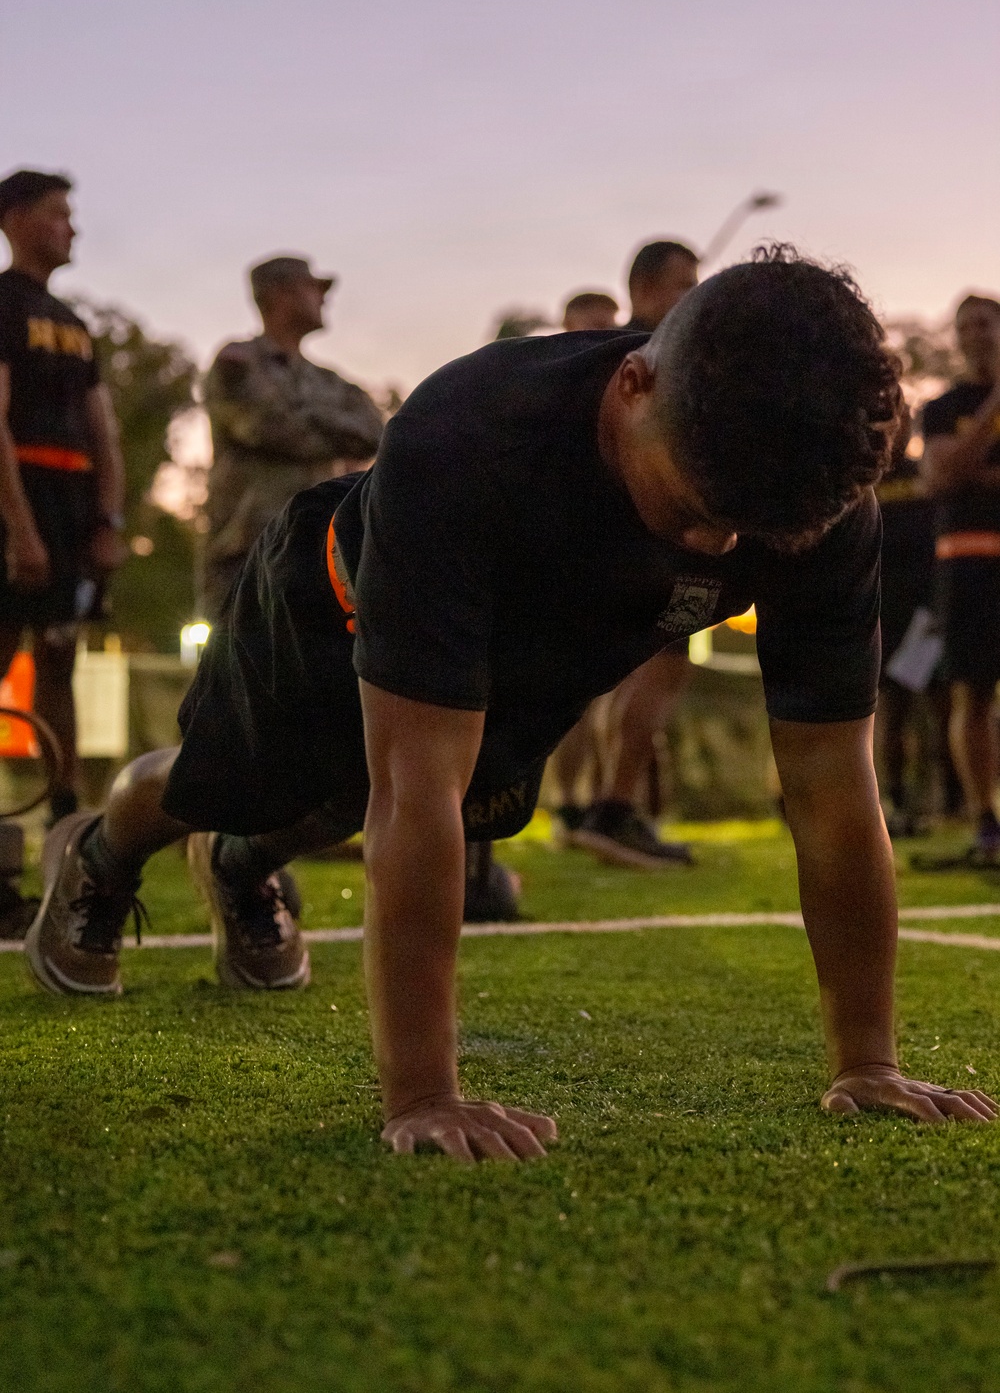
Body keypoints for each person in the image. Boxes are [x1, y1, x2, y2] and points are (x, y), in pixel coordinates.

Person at [27, 247, 996, 1157]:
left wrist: (867, 1059)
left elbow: (832, 784)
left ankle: (241, 869)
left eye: (742, 529)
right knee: (233, 784)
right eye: (696, 509)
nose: (712, 547)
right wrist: (422, 1093)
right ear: (632, 386)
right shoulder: (469, 436)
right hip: (327, 606)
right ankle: (102, 854)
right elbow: (412, 792)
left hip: (538, 644)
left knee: (345, 807)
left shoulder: (810, 496)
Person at [0, 169, 126, 936]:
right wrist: (18, 526)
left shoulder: (74, 321)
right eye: (56, 214)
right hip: (20, 495)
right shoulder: (2, 302)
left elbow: (104, 426)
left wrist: (109, 517)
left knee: (59, 657)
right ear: (15, 220)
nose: (71, 227)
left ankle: (66, 819)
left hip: (74, 507)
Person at [558, 238, 700, 866]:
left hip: (616, 542)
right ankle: (612, 808)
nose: (694, 296)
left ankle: (601, 807)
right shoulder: (652, 357)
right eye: (684, 283)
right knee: (661, 667)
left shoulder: (612, 356)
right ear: (645, 289)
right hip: (654, 542)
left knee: (618, 677)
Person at [201, 255, 383, 622]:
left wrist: (302, 416)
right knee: (238, 670)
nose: (324, 298)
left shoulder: (329, 380)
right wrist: (332, 433)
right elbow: (266, 427)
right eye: (313, 288)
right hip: (248, 549)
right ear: (280, 295)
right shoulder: (237, 361)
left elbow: (373, 431)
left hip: (321, 552)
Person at [922, 294, 1000, 862]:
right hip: (968, 565)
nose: (976, 334)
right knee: (971, 692)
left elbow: (965, 471)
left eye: (987, 323)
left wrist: (973, 466)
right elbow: (943, 477)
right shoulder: (943, 406)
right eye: (965, 326)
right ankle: (986, 820)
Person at [874, 409, 938, 836]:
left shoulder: (926, 478)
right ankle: (893, 799)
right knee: (890, 713)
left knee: (940, 708)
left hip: (928, 616)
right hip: (881, 616)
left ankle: (945, 799)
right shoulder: (864, 481)